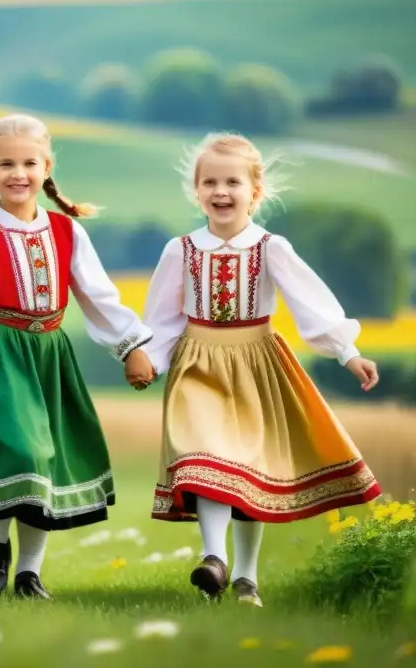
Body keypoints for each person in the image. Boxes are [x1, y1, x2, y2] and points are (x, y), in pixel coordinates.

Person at [142, 132, 381, 607]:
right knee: (202, 454)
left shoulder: (271, 248)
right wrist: (148, 359)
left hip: (258, 364)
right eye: (209, 181)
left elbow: (310, 303)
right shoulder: (181, 250)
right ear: (196, 190)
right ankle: (213, 558)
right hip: (198, 364)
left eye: (232, 181)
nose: (220, 191)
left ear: (256, 191)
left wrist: (346, 351)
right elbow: (162, 317)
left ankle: (245, 578)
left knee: (248, 469)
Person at [0, 113, 156, 600]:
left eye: (29, 162)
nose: (18, 173)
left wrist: (131, 348)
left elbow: (98, 295)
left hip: (51, 355)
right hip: (2, 353)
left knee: (46, 463)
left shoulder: (68, 232)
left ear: (47, 167)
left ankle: (29, 573)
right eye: (5, 163)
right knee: (21, 450)